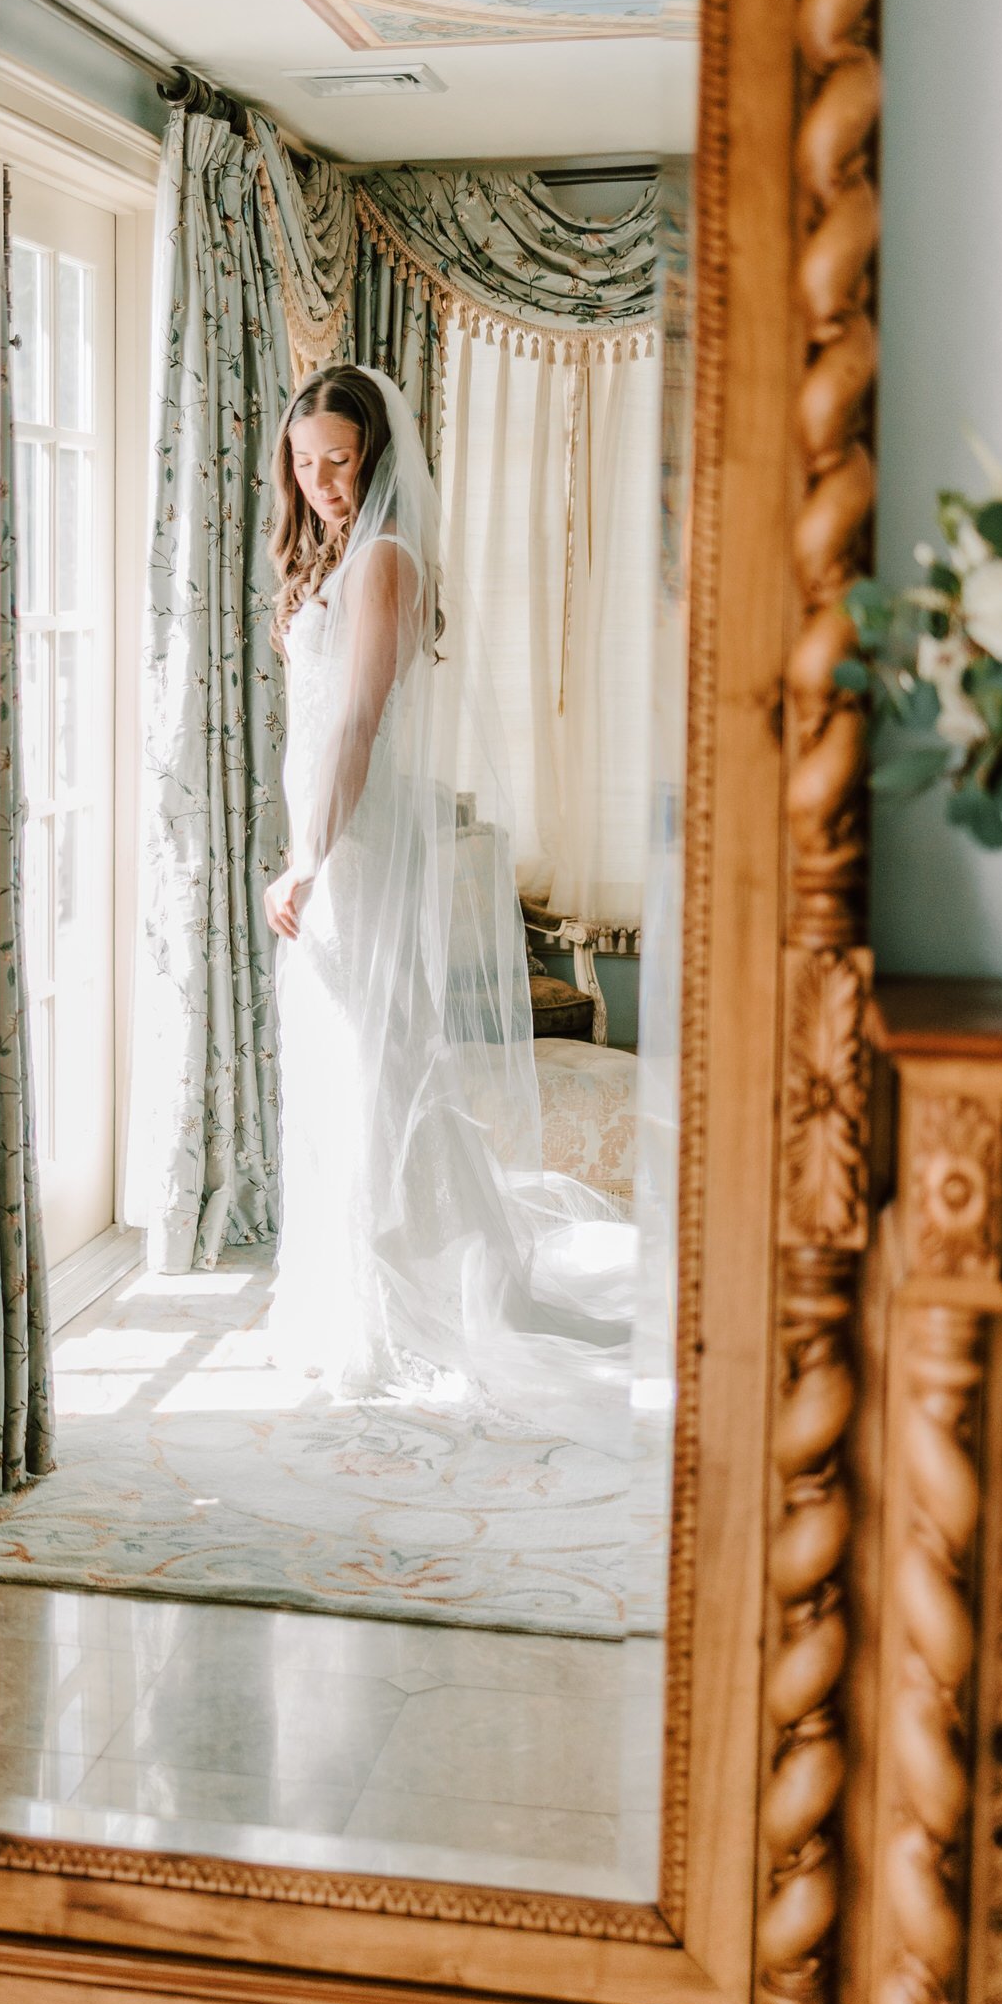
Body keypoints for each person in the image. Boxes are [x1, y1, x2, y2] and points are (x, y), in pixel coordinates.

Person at [262, 364, 635, 1447]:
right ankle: (364, 1293)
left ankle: (411, 1300)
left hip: (356, 854)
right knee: (355, 1066)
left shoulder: (383, 559)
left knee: (378, 1065)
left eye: (340, 460)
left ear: (376, 455)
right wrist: (302, 852)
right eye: (304, 462)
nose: (323, 481)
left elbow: (356, 729)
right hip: (330, 846)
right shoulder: (339, 556)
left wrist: (308, 863)